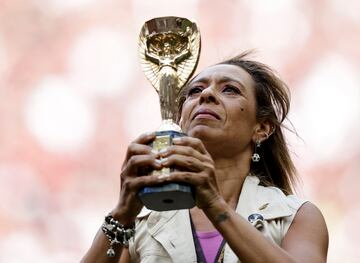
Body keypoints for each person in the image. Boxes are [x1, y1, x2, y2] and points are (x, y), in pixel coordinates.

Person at [81, 51, 329, 263]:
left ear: (262, 128)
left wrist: (215, 206)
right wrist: (122, 214)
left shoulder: (295, 216)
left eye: (230, 89)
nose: (206, 95)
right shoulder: (142, 222)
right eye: (195, 90)